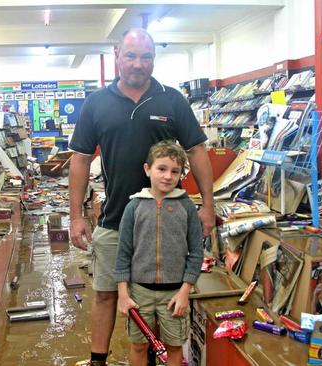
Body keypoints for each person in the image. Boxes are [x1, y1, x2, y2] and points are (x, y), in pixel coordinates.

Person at [68, 28, 214, 365]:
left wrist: (208, 205)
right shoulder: (96, 103)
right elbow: (79, 159)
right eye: (131, 55)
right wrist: (76, 215)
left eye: (146, 56)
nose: (138, 64)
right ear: (117, 54)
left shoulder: (172, 99)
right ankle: (98, 361)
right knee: (106, 295)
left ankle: (159, 356)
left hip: (166, 227)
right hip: (115, 220)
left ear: (153, 59)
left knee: (161, 298)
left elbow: (197, 150)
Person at [115, 141, 203, 366]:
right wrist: (123, 295)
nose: (167, 176)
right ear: (147, 169)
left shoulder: (187, 207)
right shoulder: (134, 207)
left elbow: (196, 252)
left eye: (175, 171)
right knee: (138, 345)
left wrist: (185, 290)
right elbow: (123, 253)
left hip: (174, 295)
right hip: (139, 293)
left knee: (174, 347)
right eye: (161, 169)